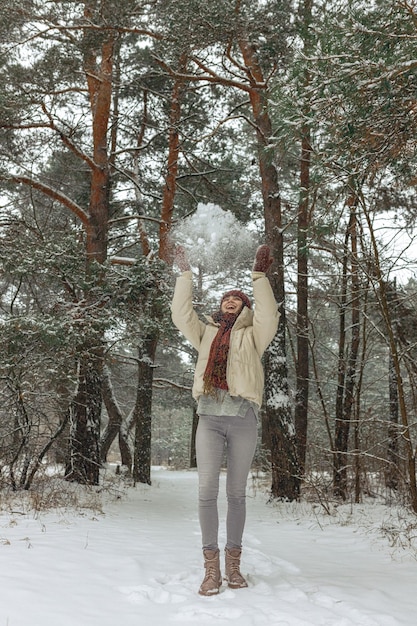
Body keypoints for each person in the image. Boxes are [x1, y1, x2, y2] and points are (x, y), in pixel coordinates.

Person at [171, 244, 279, 596]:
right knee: (206, 493)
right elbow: (180, 313)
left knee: (236, 494)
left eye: (237, 299)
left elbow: (269, 315)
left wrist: (259, 277)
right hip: (210, 420)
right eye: (225, 299)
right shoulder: (206, 333)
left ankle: (234, 566)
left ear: (246, 307)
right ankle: (211, 568)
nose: (229, 302)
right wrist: (184, 274)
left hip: (242, 418)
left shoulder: (252, 336)